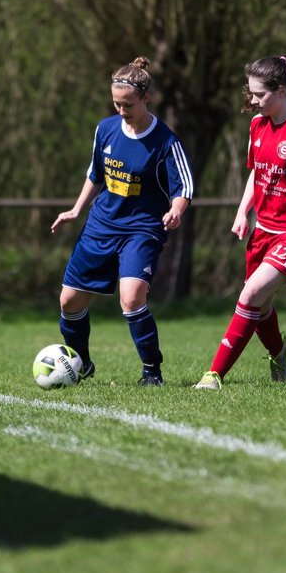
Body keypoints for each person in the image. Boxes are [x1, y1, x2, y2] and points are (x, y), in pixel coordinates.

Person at [194, 55, 286, 390]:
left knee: (251, 294)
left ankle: (213, 375)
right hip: (265, 229)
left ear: (282, 89)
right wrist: (243, 212)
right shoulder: (257, 125)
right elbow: (256, 173)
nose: (253, 101)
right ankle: (278, 351)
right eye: (251, 94)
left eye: (259, 95)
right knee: (259, 308)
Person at [50, 57, 195, 387]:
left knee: (131, 298)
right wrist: (75, 210)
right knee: (68, 301)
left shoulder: (166, 142)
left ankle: (151, 371)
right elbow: (96, 175)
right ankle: (81, 363)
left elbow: (184, 186)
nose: (121, 110)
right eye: (116, 104)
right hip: (102, 224)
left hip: (142, 228)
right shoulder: (105, 129)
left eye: (127, 104)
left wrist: (176, 210)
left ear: (146, 98)